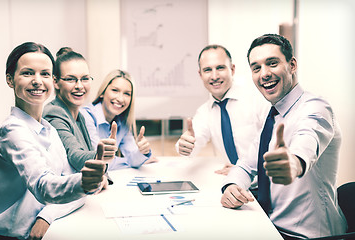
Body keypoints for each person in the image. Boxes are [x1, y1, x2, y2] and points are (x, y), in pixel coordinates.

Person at [0, 42, 107, 240]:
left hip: (43, 229)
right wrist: (83, 184)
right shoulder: (11, 131)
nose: (37, 81)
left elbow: (69, 182)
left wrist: (48, 214)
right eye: (28, 73)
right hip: (3, 234)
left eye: (44, 74)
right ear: (10, 80)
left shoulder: (48, 129)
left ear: (52, 80)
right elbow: (44, 187)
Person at [220, 34, 346, 239]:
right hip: (270, 227)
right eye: (256, 68)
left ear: (292, 64)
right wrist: (232, 186)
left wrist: (293, 163)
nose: (264, 74)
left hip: (308, 235)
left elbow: (306, 144)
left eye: (272, 63)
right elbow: (245, 165)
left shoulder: (315, 108)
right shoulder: (272, 116)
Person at [176, 44, 266, 175]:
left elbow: (275, 146)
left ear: (232, 69)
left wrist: (245, 171)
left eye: (220, 68)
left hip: (268, 183)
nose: (214, 76)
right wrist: (185, 146)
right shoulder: (205, 112)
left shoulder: (257, 99)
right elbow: (193, 142)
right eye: (207, 70)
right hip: (237, 184)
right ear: (200, 75)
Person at [43, 47, 114, 183]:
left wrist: (103, 176)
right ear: (55, 82)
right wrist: (101, 154)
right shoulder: (54, 112)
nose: (80, 86)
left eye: (85, 79)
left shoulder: (79, 115)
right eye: (71, 79)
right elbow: (75, 157)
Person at [81, 69, 154, 170]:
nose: (120, 98)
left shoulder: (122, 122)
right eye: (115, 90)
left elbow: (133, 158)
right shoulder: (86, 116)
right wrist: (129, 161)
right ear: (102, 93)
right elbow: (100, 160)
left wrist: (143, 152)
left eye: (127, 94)